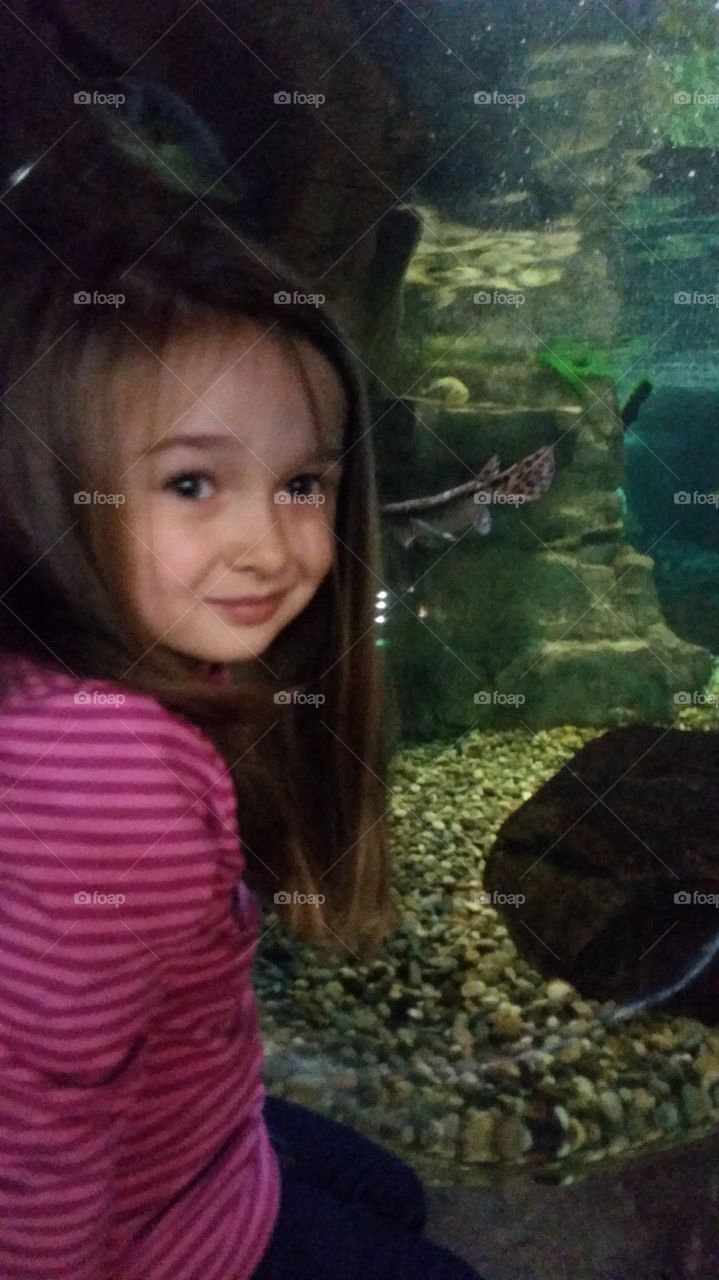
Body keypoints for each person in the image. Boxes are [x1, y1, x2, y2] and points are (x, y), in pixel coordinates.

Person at [0, 205, 483, 1280]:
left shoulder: (123, 660)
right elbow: (28, 1151)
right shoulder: (110, 774)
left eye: (301, 482)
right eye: (190, 482)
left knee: (393, 1193)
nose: (268, 545)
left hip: (193, 1137)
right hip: (153, 1237)